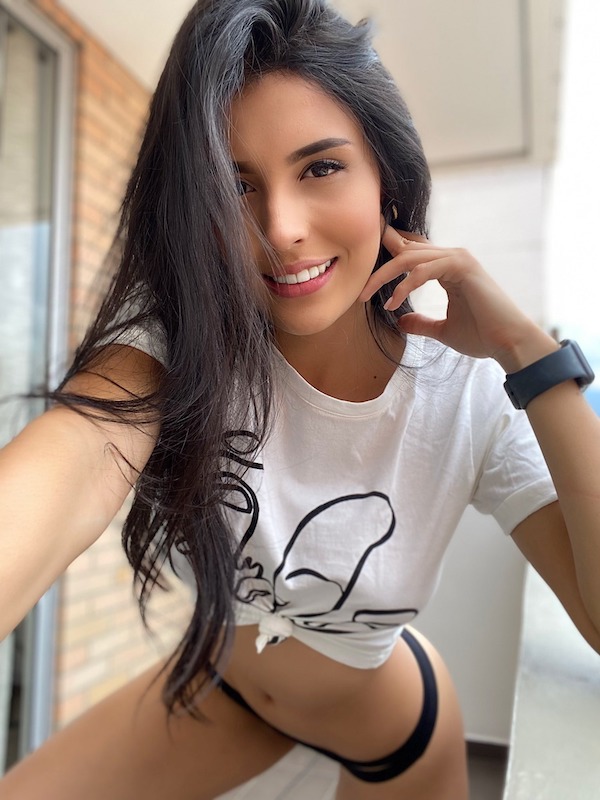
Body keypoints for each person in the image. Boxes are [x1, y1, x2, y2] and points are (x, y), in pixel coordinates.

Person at [1, 0, 599, 797]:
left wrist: (529, 353)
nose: (280, 227)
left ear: (388, 182)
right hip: (221, 693)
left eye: (320, 168)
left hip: (398, 736)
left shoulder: (467, 396)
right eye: (233, 185)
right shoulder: (178, 349)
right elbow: (69, 471)